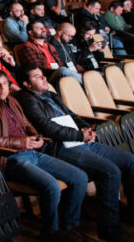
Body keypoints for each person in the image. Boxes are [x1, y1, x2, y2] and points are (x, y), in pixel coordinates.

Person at [16, 63, 134, 242]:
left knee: (130, 160)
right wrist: (80, 135)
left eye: (42, 74)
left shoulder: (51, 95)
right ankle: (109, 229)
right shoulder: (27, 99)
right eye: (36, 76)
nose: (43, 78)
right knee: (110, 172)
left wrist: (86, 128)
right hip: (62, 147)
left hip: (80, 140)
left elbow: (72, 115)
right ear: (26, 84)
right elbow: (47, 128)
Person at [0, 68, 88, 239]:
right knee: (52, 187)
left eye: (5, 84)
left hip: (33, 152)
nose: (2, 88)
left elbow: (25, 123)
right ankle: (51, 232)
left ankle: (69, 225)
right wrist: (20, 142)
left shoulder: (12, 99)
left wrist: (35, 135)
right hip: (11, 159)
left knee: (80, 177)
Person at [16, 20, 81, 84]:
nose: (43, 29)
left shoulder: (49, 46)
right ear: (31, 32)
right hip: (45, 77)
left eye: (43, 27)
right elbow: (36, 69)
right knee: (63, 70)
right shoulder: (27, 46)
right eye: (39, 28)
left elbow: (60, 63)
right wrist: (57, 71)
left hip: (56, 72)